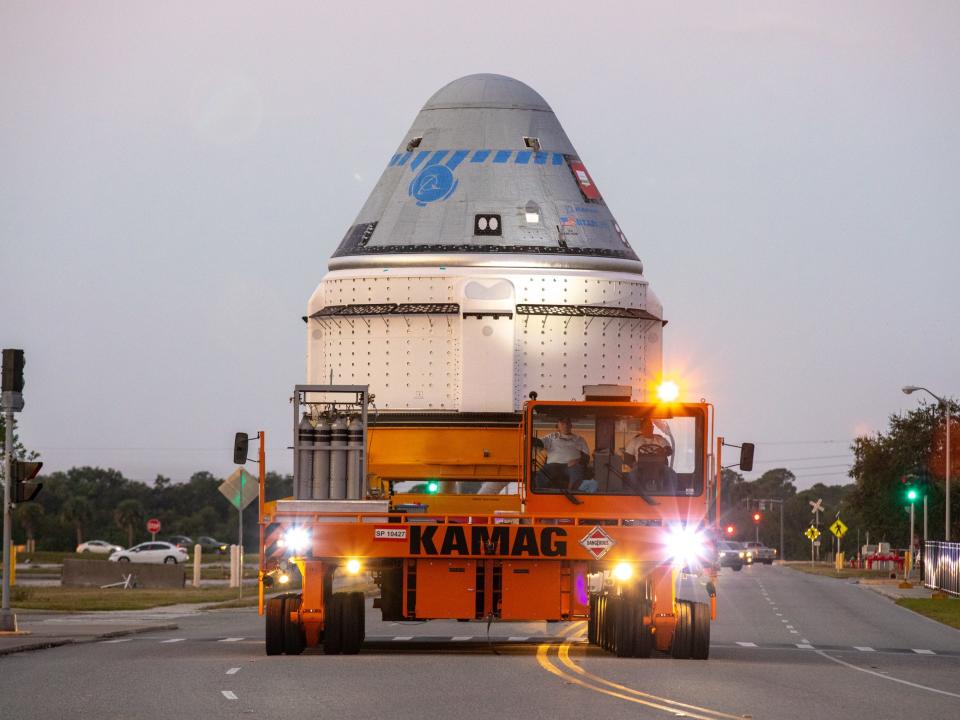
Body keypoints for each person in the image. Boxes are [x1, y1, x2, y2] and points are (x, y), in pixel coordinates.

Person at [533, 417, 595, 492]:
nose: (565, 425)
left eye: (568, 423)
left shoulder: (579, 439)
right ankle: (541, 495)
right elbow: (540, 443)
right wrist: (531, 439)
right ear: (557, 426)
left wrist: (577, 460)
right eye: (562, 423)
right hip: (553, 465)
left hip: (573, 466)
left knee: (576, 473)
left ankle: (572, 495)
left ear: (571, 425)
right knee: (541, 475)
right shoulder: (551, 437)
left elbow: (587, 457)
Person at [623, 417, 672, 492]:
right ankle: (634, 496)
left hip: (660, 468)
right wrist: (634, 465)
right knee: (632, 475)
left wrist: (664, 450)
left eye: (651, 427)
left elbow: (669, 451)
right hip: (640, 468)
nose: (649, 428)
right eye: (647, 427)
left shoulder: (660, 440)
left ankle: (670, 496)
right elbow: (627, 458)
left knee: (672, 475)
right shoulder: (635, 441)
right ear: (642, 429)